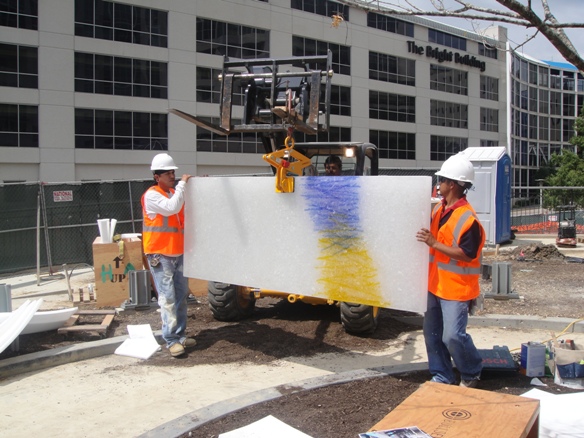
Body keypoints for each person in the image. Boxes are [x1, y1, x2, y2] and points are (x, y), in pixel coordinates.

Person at [415, 153, 486, 388]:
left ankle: (471, 371)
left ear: (453, 184)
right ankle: (442, 375)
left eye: (442, 180)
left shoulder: (468, 219)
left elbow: (468, 254)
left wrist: (434, 243)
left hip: (456, 287)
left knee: (453, 336)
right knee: (432, 334)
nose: (439, 184)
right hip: (435, 284)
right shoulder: (441, 209)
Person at [141, 153, 196, 357]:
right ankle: (171, 340)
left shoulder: (173, 192)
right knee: (168, 298)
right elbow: (172, 208)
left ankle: (179, 336)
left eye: (173, 172)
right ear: (157, 176)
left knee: (181, 296)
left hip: (178, 253)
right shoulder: (152, 195)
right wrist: (183, 185)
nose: (173, 175)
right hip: (160, 255)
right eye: (168, 173)